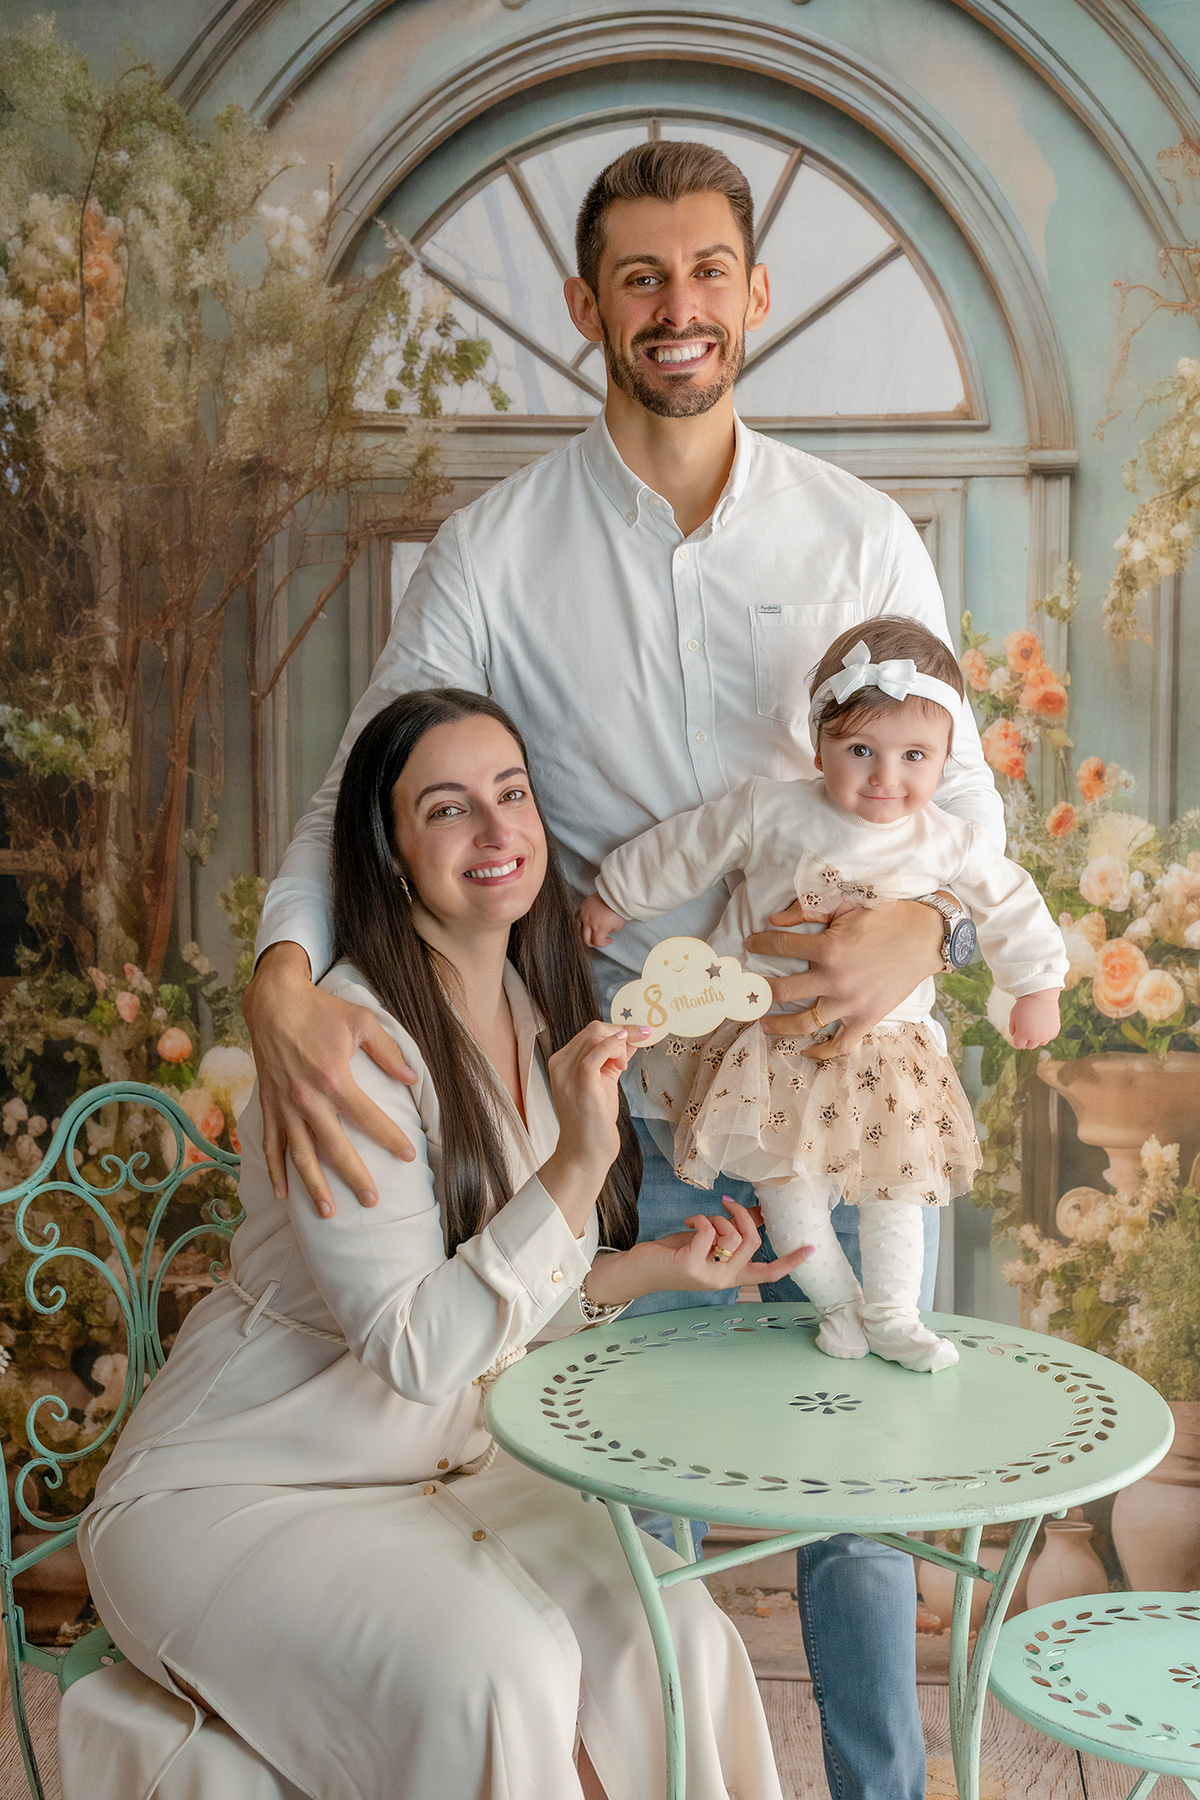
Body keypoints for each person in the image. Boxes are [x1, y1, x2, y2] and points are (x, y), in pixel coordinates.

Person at [243, 140, 1007, 1798]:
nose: (679, 309)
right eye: (643, 277)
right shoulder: (498, 548)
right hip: (615, 1104)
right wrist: (280, 972)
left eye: (709, 271)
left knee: (861, 1489)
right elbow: (360, 779)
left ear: (757, 293)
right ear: (588, 303)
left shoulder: (861, 531)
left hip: (844, 1076)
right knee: (624, 1492)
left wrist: (930, 925)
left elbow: (964, 794)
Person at [72, 691, 807, 1800]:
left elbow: (496, 1306)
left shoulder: (524, 1006)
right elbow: (419, 1348)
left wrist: (647, 1270)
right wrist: (573, 1166)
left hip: (445, 1469)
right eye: (448, 809)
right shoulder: (350, 1046)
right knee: (501, 1675)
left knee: (682, 1643)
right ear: (391, 852)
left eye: (511, 795)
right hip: (251, 1484)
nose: (497, 830)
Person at [581, 618, 1067, 1374]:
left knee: (894, 1191)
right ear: (819, 747)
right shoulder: (772, 809)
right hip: (769, 1047)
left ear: (945, 760)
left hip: (887, 1056)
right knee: (787, 1187)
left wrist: (1035, 984)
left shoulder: (946, 839)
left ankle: (893, 1314)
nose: (885, 778)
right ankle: (839, 1307)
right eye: (859, 751)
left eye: (915, 756)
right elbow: (688, 847)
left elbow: (1011, 903)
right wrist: (616, 895)